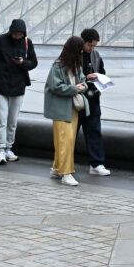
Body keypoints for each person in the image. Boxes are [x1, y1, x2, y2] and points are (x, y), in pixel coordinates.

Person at [0, 18, 38, 166]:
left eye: (21, 34)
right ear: (11, 31)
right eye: (16, 34)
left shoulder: (27, 42)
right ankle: (1, 149)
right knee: (1, 120)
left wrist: (22, 63)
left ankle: (9, 147)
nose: (18, 36)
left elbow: (33, 62)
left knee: (12, 121)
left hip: (18, 87)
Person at [43, 36, 87, 186]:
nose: (81, 52)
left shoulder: (75, 65)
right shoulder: (58, 66)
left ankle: (56, 168)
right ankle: (66, 173)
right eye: (79, 50)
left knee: (66, 140)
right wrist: (76, 88)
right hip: (61, 108)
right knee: (65, 140)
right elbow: (55, 87)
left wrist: (84, 85)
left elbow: (82, 81)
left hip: (71, 108)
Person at [79, 29, 111, 177]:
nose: (92, 48)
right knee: (70, 133)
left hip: (93, 99)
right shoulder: (74, 55)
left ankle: (96, 163)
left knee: (94, 131)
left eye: (94, 46)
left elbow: (102, 71)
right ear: (83, 41)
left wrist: (99, 78)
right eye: (90, 45)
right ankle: (62, 164)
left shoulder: (96, 56)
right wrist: (87, 78)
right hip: (77, 99)